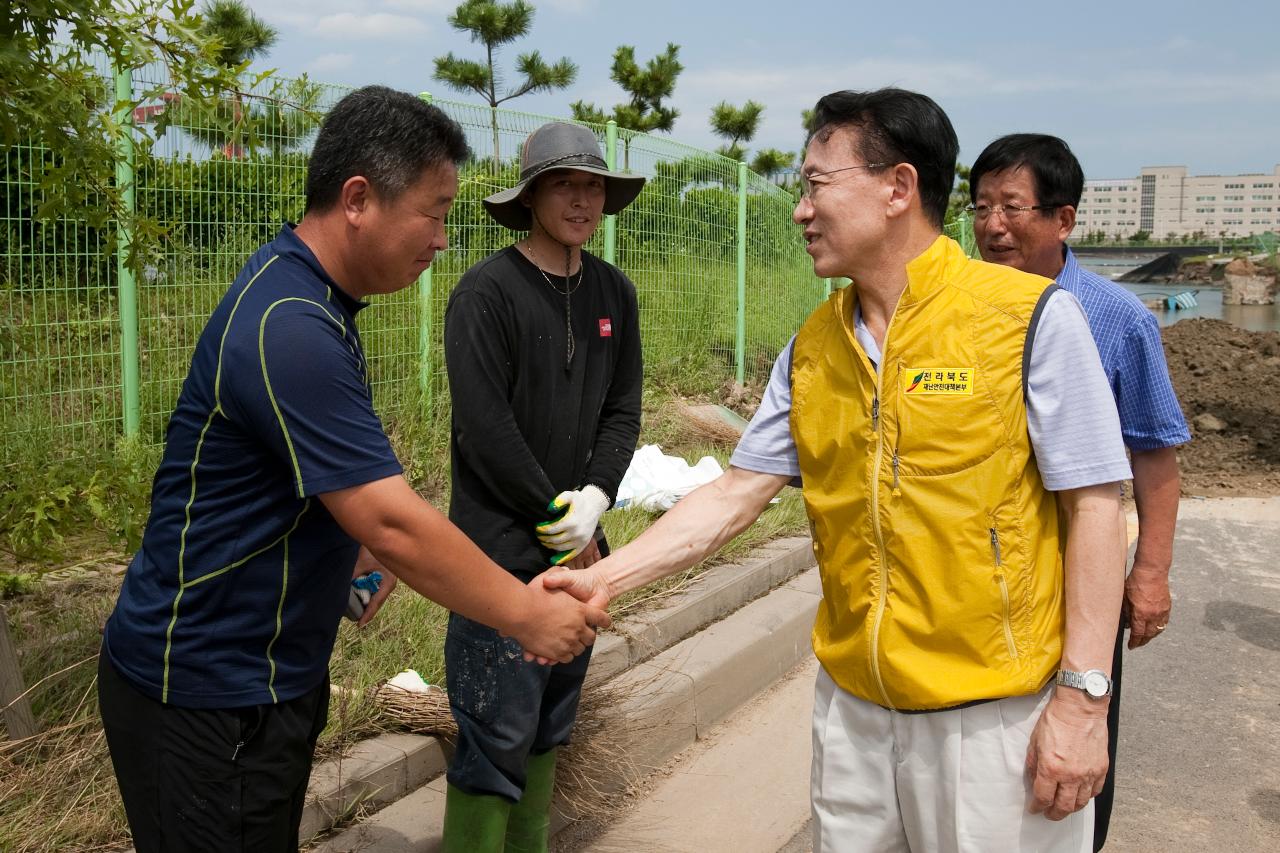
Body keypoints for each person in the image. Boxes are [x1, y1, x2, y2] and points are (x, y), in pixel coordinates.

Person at [544, 88, 1132, 852]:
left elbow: (1095, 507)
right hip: (853, 715)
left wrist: (1085, 703)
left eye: (817, 183)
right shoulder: (815, 346)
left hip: (994, 722)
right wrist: (603, 580)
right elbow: (735, 492)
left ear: (898, 188)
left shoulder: (1030, 321)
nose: (800, 209)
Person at [97, 87, 610, 853]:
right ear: (359, 199)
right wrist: (527, 613)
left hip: (264, 682)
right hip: (202, 694)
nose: (442, 240)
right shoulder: (291, 324)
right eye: (434, 214)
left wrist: (349, 551)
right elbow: (394, 520)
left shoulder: (318, 306)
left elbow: (312, 485)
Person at [969, 133, 1191, 851]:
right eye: (980, 207)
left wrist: (1149, 573)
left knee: (1070, 757)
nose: (992, 225)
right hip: (976, 583)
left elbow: (1154, 456)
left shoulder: (1116, 318)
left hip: (1076, 581)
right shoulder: (953, 308)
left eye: (1012, 207)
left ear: (1063, 220)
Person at [438, 121, 645, 853]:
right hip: (497, 554)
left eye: (593, 186)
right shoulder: (484, 294)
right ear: (530, 197)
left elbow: (622, 411)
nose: (583, 200)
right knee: (494, 731)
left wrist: (596, 497)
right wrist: (559, 515)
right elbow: (484, 430)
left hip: (580, 558)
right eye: (565, 185)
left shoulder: (614, 292)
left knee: (550, 723)